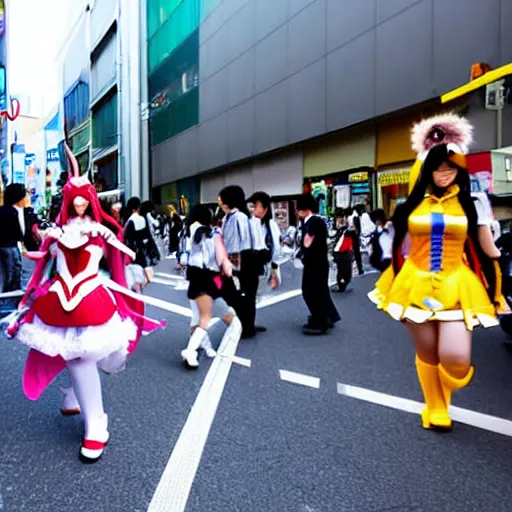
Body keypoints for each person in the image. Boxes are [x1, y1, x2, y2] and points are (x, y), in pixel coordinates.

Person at [7, 143, 164, 462]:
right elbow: (45, 259)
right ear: (68, 202)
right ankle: (84, 408)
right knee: (73, 351)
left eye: (83, 202)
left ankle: (86, 409)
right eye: (74, 202)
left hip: (90, 295)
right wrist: (31, 257)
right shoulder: (57, 233)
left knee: (88, 354)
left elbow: (122, 250)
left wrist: (135, 258)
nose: (79, 207)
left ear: (90, 202)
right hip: (61, 296)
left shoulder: (100, 232)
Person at [368, 114, 509, 432]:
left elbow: (489, 249)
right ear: (426, 169)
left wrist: (497, 283)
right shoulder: (409, 207)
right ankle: (436, 407)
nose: (444, 173)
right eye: (437, 166)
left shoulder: (473, 204)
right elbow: (392, 246)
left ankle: (444, 393)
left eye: (450, 166)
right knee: (428, 353)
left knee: (456, 358)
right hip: (415, 283)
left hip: (457, 284)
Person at [181, 205, 242, 368]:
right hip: (205, 277)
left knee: (198, 317)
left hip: (194, 277)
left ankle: (205, 348)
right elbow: (211, 258)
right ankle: (191, 350)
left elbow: (185, 257)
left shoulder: (188, 230)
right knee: (209, 317)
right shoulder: (206, 233)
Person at [218, 185, 260, 339]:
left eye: (221, 199)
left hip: (241, 259)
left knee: (243, 294)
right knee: (235, 294)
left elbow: (244, 242)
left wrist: (233, 265)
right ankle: (246, 324)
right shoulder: (227, 218)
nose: (220, 202)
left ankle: (247, 326)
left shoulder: (239, 217)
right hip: (232, 259)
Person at [296, 193, 341, 335]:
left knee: (310, 292)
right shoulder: (317, 221)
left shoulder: (312, 223)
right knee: (321, 291)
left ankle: (319, 322)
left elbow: (308, 243)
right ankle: (328, 316)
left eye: (299, 209)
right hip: (319, 262)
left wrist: (303, 253)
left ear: (305, 209)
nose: (297, 212)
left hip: (313, 263)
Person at [0, 184, 28, 313]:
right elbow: (20, 234)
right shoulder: (13, 212)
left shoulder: (6, 210)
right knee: (12, 277)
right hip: (9, 248)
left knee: (7, 277)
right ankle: (9, 307)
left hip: (7, 247)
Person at [248, 191, 282, 295]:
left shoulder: (271, 225)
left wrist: (274, 269)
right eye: (251, 206)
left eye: (255, 206)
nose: (252, 209)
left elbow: (276, 248)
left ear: (265, 209)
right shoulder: (249, 222)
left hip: (262, 268)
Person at [124, 197, 161, 292]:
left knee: (133, 281)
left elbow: (128, 240)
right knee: (140, 280)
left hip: (131, 256)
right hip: (142, 254)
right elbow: (147, 237)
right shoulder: (141, 219)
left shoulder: (129, 221)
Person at [332, 213, 354, 292]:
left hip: (344, 252)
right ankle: (341, 284)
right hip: (340, 253)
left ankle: (342, 283)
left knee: (345, 270)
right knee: (341, 270)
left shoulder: (347, 231)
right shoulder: (341, 231)